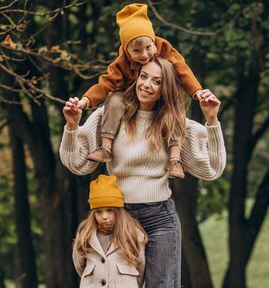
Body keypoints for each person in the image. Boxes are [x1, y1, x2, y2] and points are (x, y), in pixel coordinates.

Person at [61, 56, 225, 288]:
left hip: (160, 219)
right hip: (119, 221)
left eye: (155, 80)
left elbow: (211, 169)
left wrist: (211, 120)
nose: (146, 84)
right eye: (143, 77)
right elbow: (78, 163)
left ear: (166, 87)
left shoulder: (174, 122)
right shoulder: (112, 114)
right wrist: (72, 126)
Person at [68, 3, 204, 179]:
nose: (145, 54)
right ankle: (106, 147)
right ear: (126, 51)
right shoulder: (121, 63)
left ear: (153, 41)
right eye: (136, 51)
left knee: (175, 105)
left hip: (162, 96)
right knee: (115, 100)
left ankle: (175, 158)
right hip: (129, 95)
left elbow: (182, 69)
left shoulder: (163, 47)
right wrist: (85, 101)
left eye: (148, 47)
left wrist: (197, 92)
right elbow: (106, 83)